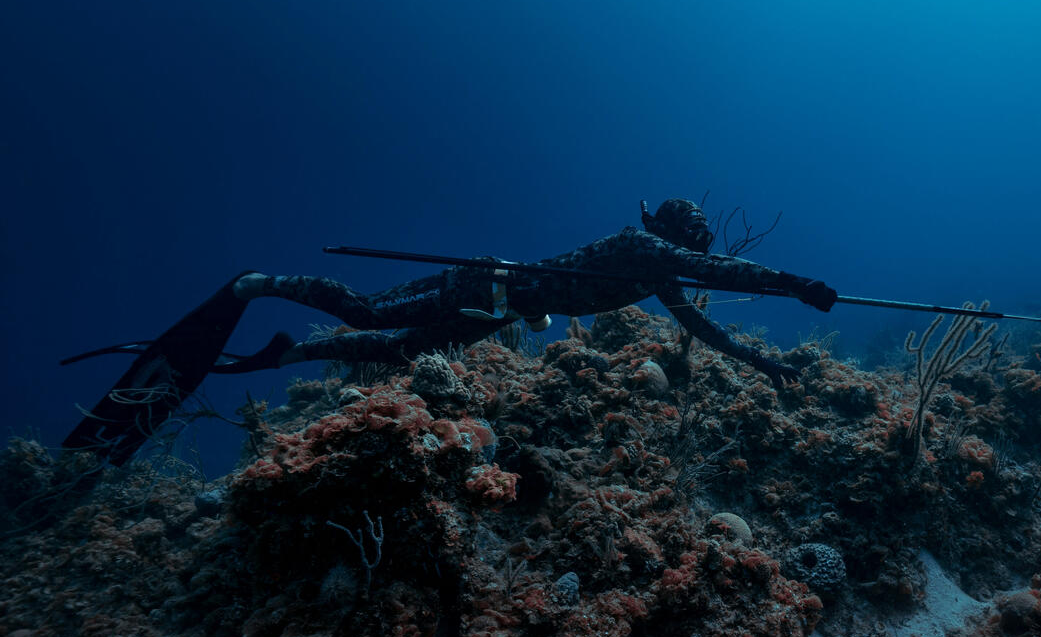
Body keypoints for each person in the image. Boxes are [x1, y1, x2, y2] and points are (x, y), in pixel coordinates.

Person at [62, 199, 838, 464]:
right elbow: (724, 279)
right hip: (478, 283)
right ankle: (263, 286)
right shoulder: (643, 251)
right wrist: (794, 283)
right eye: (686, 244)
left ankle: (281, 352)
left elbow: (700, 318)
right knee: (370, 314)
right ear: (672, 234)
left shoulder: (658, 272)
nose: (687, 256)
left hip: (488, 310)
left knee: (390, 351)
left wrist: (758, 362)